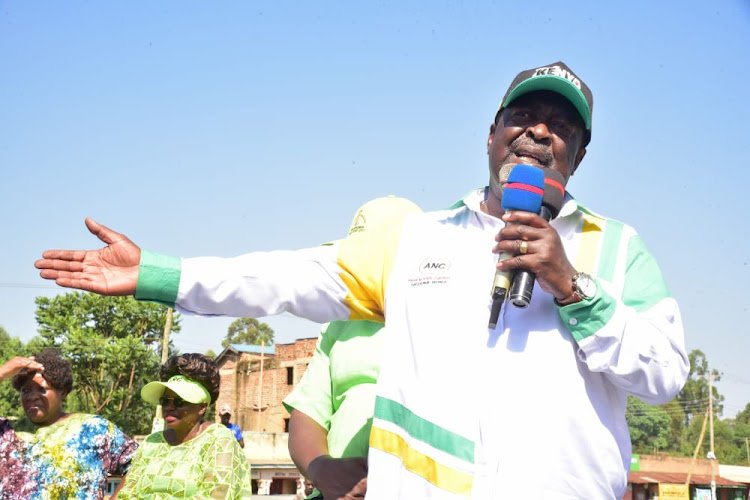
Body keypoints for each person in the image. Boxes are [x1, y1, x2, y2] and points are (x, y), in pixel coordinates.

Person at [35, 61, 689, 499]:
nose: (540, 130)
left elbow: (664, 376)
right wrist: (156, 274)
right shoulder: (417, 240)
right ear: (492, 134)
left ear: (579, 153)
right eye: (524, 116)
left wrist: (572, 286)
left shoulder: (619, 250)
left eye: (562, 124)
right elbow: (283, 278)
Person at [283, 196, 422, 500]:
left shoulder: (444, 318)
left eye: (372, 256)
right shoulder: (338, 324)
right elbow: (307, 415)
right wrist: (322, 470)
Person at [0, 349, 137, 499]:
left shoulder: (94, 429)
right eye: (25, 390)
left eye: (42, 389)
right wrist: (2, 372)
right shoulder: (6, 432)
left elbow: (140, 464)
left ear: (63, 392)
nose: (32, 396)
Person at [115, 353, 251, 499]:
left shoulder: (219, 440)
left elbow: (217, 494)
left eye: (179, 402)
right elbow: (127, 492)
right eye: (165, 400)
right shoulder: (151, 443)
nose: (169, 407)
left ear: (202, 407)